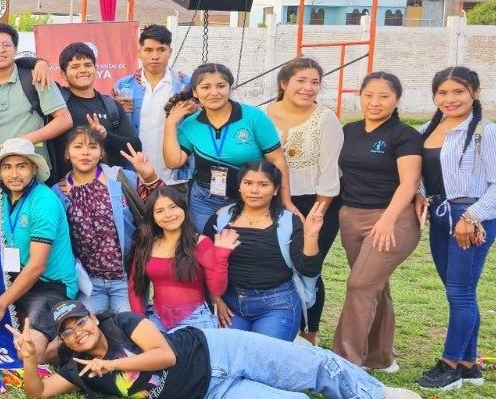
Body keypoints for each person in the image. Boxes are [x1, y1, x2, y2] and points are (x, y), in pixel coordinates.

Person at [11, 298, 443, 399]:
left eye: (80, 322)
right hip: (214, 394)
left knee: (307, 365)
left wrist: (112, 365)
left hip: (219, 348)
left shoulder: (121, 323)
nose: (79, 333)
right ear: (63, 341)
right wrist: (31, 359)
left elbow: (163, 356)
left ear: (91, 318)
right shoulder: (76, 369)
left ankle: (373, 393)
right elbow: (38, 392)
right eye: (68, 332)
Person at [416, 66, 496, 392]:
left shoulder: (487, 132)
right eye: (443, 92)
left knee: (460, 293)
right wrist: (420, 196)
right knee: (458, 292)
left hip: (471, 218)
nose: (450, 99)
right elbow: (422, 175)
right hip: (440, 215)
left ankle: (450, 365)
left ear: (476, 92)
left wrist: (471, 217)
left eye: (459, 91)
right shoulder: (426, 130)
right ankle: (469, 365)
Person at [332, 72, 424, 373]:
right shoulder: (349, 131)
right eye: (369, 95)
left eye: (384, 96)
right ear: (360, 96)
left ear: (396, 100)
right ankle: (380, 357)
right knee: (373, 285)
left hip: (392, 219)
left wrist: (387, 220)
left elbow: (409, 182)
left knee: (360, 284)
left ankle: (345, 364)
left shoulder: (404, 135)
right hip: (351, 216)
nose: (375, 102)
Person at [263, 58, 342, 342]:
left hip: (318, 203)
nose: (308, 88)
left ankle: (310, 335)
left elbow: (330, 173)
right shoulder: (262, 115)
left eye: (315, 82)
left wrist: (315, 216)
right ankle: (282, 328)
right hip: (271, 201)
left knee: (308, 267)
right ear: (284, 83)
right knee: (277, 264)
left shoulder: (325, 119)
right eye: (301, 81)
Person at [204, 160, 327, 341]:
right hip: (229, 303)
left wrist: (310, 235)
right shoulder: (220, 219)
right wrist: (216, 299)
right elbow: (204, 265)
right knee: (231, 357)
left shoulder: (288, 222)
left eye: (263, 184)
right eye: (248, 183)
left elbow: (308, 269)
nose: (254, 190)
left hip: (277, 304)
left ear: (275, 190)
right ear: (240, 186)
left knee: (263, 356)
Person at [163, 61, 290, 232]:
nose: (214, 92)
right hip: (204, 200)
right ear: (195, 92)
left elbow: (278, 160)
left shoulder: (254, 117)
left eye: (221, 86)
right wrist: (171, 122)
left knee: (242, 245)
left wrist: (286, 201)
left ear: (230, 87)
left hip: (249, 199)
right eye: (206, 87)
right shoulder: (190, 124)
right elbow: (173, 162)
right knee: (206, 245)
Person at [58, 126, 158, 315]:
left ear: (102, 152)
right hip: (88, 284)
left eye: (92, 146)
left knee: (130, 326)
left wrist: (149, 176)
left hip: (127, 279)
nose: (85, 152)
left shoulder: (122, 178)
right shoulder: (58, 192)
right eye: (78, 146)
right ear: (67, 153)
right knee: (83, 325)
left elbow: (161, 208)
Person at [0, 138, 79, 332]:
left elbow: (37, 266)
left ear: (34, 168)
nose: (14, 174)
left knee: (33, 336)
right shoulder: (3, 197)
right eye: (7, 167)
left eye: (21, 166)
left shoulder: (44, 201)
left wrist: (0, 305)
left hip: (51, 285)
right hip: (18, 275)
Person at [127, 183, 228, 332]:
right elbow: (134, 286)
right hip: (158, 320)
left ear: (184, 209)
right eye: (160, 211)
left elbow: (217, 289)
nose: (168, 214)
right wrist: (141, 322)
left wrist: (221, 256)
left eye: (173, 207)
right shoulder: (146, 244)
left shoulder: (201, 243)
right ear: (153, 217)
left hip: (195, 321)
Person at [0, 23, 71, 156]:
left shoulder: (36, 77)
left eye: (6, 45)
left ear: (15, 50)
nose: (1, 50)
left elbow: (64, 120)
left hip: (32, 163)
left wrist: (22, 142)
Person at [113, 25, 189, 184]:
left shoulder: (185, 85)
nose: (155, 56)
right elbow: (113, 129)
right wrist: (117, 110)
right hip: (134, 174)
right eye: (148, 50)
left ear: (170, 52)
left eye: (161, 50)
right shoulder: (123, 86)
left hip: (175, 175)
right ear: (139, 52)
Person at [56, 42, 140, 164]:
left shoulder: (112, 106)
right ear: (63, 74)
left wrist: (105, 135)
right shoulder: (57, 103)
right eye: (75, 67)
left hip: (106, 176)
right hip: (66, 176)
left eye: (88, 65)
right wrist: (40, 63)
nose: (83, 70)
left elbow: (136, 146)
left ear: (96, 69)